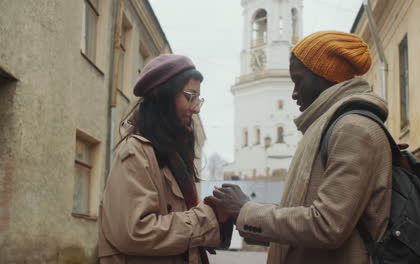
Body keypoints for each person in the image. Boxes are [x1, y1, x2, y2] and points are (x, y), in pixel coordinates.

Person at [205, 31, 392, 264]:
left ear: (325, 76)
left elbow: (327, 225)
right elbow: (304, 220)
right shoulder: (331, 126)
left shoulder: (353, 129)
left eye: (298, 80)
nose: (294, 93)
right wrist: (239, 215)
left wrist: (246, 209)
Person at [98, 54, 232, 264]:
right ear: (162, 96)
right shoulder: (136, 152)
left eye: (199, 99)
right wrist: (208, 216)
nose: (196, 108)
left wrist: (220, 218)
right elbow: (134, 232)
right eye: (190, 96)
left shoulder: (172, 155)